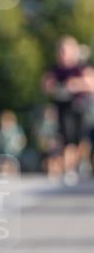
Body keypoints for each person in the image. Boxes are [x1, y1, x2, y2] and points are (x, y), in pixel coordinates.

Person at [42, 36, 94, 185]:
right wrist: (54, 87)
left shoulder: (81, 67)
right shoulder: (55, 69)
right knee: (67, 138)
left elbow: (91, 84)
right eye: (61, 51)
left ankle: (80, 165)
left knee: (81, 139)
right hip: (63, 107)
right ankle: (69, 170)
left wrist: (76, 84)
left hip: (80, 106)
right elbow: (46, 85)